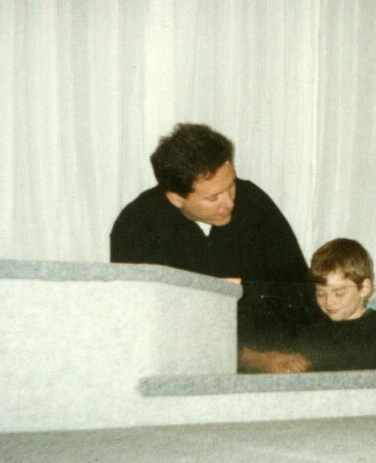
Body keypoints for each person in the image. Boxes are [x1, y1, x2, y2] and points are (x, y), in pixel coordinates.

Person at [110, 123, 319, 373]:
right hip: (189, 368)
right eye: (213, 198)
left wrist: (245, 289)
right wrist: (253, 359)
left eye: (231, 185)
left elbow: (301, 290)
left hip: (287, 357)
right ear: (176, 198)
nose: (229, 202)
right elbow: (151, 326)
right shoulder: (136, 227)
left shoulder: (253, 201)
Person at [297, 238, 376, 371]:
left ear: (364, 288)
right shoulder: (315, 329)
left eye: (339, 293)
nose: (328, 301)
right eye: (320, 293)